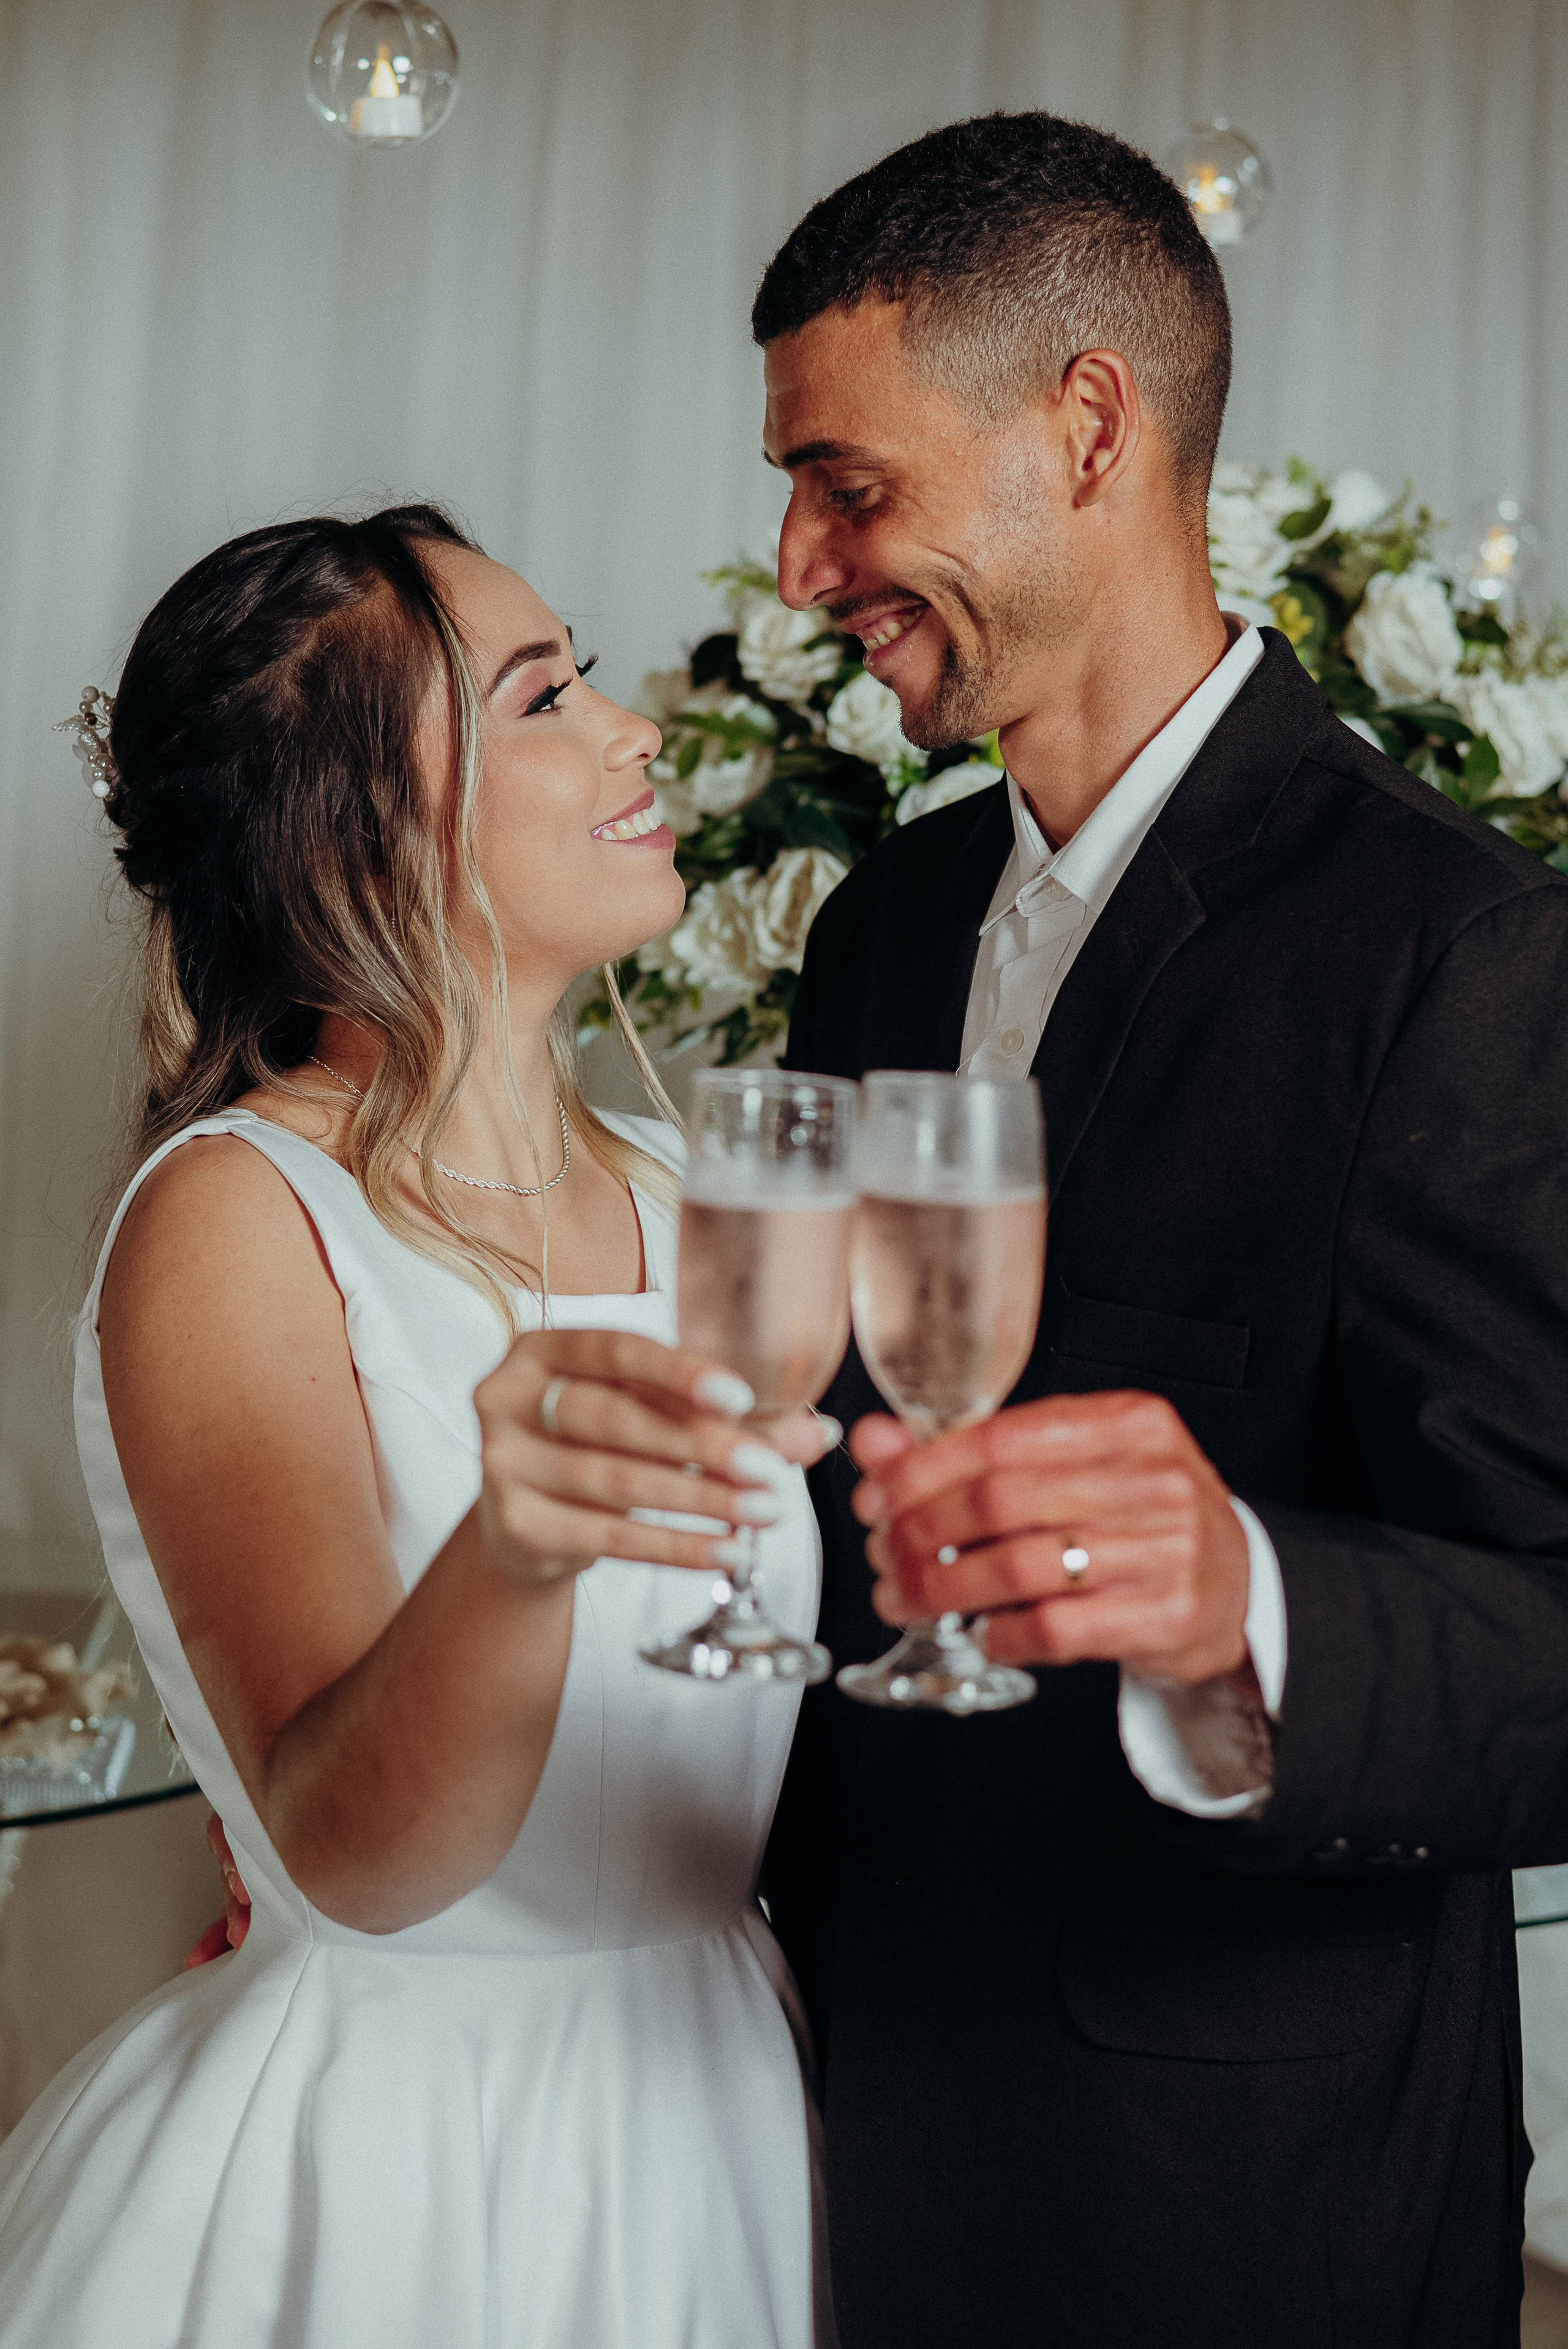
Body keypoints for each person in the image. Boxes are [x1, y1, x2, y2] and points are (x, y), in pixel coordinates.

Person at [754, 113, 1568, 2347]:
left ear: (1088, 424)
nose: (805, 560)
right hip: (811, 2119)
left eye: (848, 478)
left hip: (1233, 2210)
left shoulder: (1458, 954)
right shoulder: (883, 923)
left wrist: (1257, 1607)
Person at [0, 507, 838, 2349]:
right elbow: (351, 1855)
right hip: (411, 2164)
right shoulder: (236, 1217)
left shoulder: (711, 1200)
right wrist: (517, 1550)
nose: (634, 733)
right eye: (544, 695)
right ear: (358, 823)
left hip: (715, 2106)